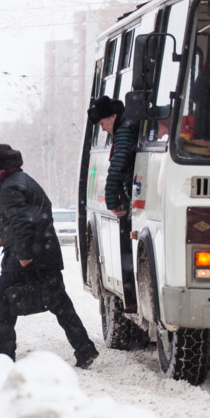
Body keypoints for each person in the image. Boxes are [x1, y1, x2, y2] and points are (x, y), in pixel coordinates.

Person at [0, 144, 98, 367]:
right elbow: (31, 217)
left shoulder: (9, 188)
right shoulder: (24, 180)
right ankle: (84, 349)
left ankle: (4, 352)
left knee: (1, 296)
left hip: (26, 256)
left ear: (1, 170)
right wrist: (3, 238)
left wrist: (24, 254)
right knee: (60, 303)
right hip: (46, 253)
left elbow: (23, 222)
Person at [87, 95, 139, 311]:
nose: (104, 129)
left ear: (113, 116)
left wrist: (111, 200)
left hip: (130, 198)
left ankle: (131, 298)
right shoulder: (125, 125)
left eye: (103, 124)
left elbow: (117, 166)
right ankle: (131, 298)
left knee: (127, 245)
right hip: (130, 193)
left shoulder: (124, 130)